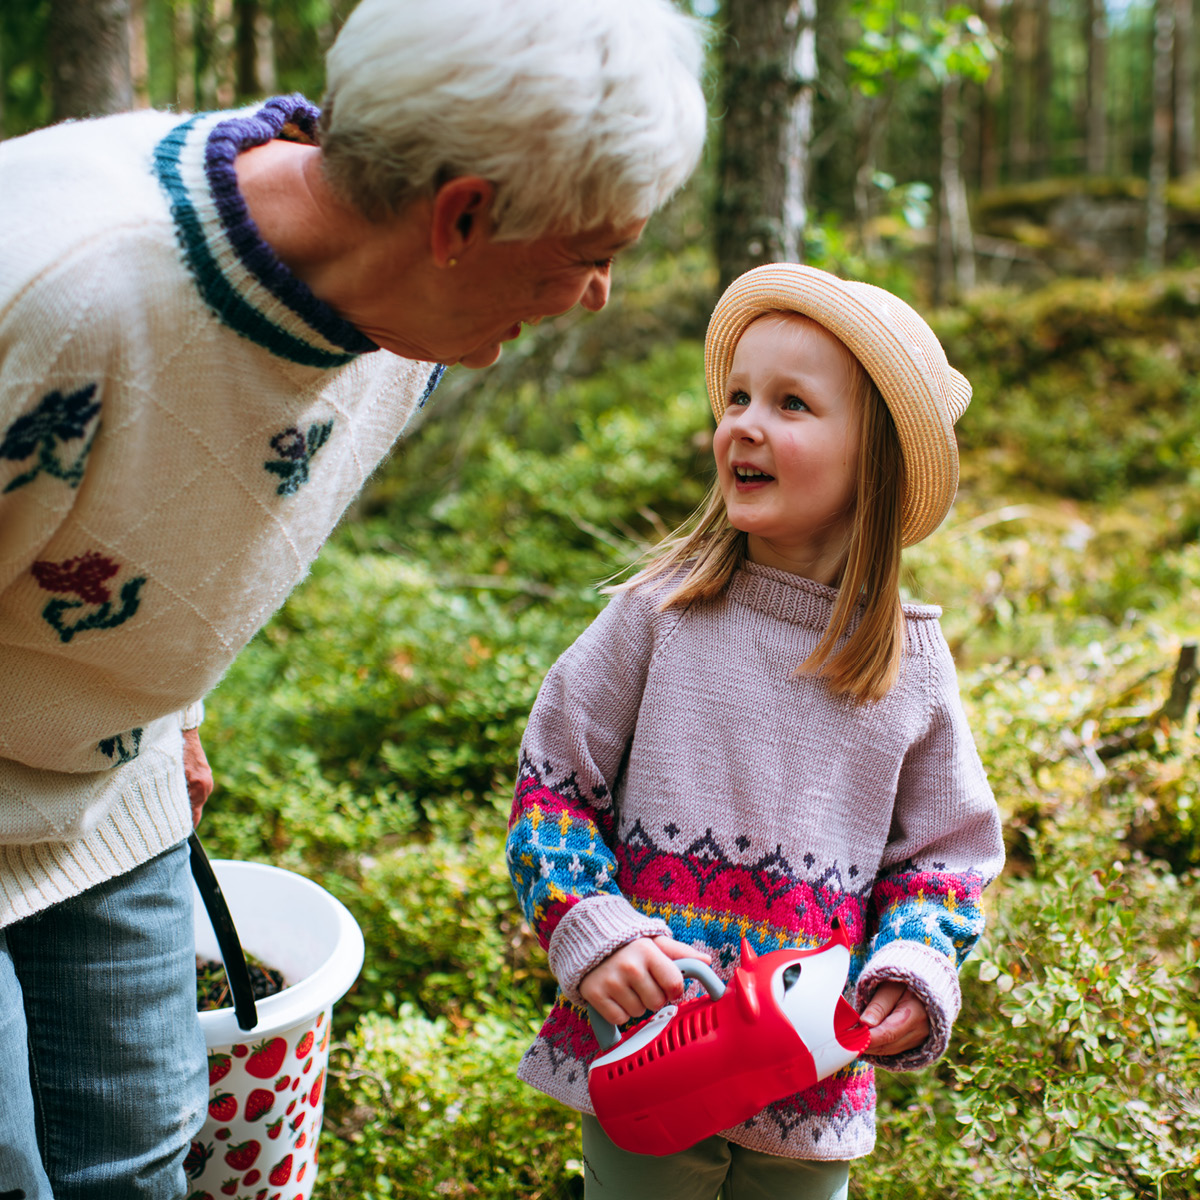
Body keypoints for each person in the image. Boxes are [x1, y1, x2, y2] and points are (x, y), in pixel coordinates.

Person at [0, 0, 707, 1195]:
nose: (592, 297)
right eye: (592, 255)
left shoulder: (407, 329)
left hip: (103, 787)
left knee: (133, 1156)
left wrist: (168, 713)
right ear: (462, 216)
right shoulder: (62, 290)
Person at [507, 263, 1005, 1198]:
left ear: (878, 458)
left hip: (808, 1072)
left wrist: (913, 961)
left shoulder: (908, 664)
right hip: (648, 1038)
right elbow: (554, 786)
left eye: (791, 404)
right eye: (736, 396)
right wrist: (595, 929)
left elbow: (946, 856)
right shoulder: (659, 615)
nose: (743, 422)